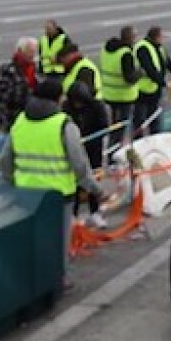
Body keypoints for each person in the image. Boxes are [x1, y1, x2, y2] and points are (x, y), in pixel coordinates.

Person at [0, 78, 105, 284]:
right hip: (58, 195)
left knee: (31, 239)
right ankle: (58, 280)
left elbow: (5, 160)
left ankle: (31, 278)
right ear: (58, 99)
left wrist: (11, 182)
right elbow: (80, 164)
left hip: (26, 192)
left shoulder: (20, 121)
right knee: (58, 241)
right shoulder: (64, 124)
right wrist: (95, 189)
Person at [65, 77, 111, 229]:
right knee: (76, 181)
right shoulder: (67, 107)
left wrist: (90, 138)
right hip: (76, 149)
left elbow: (104, 126)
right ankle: (73, 215)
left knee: (93, 178)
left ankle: (95, 212)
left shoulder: (97, 106)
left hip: (93, 148)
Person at [96, 31, 140, 133]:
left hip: (109, 93)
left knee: (114, 124)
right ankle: (117, 146)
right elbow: (129, 78)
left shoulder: (106, 49)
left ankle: (113, 144)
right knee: (122, 126)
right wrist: (139, 73)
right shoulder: (126, 54)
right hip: (123, 95)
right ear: (131, 38)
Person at [0, 37, 39, 132]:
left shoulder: (35, 69)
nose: (32, 55)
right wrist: (26, 92)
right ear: (20, 51)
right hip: (12, 120)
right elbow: (2, 95)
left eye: (34, 52)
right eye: (29, 51)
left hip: (32, 119)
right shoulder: (7, 70)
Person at [132, 27, 168, 136]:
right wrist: (164, 83)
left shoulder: (158, 48)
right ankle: (139, 142)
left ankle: (154, 140)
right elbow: (149, 69)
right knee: (140, 119)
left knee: (154, 118)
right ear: (156, 37)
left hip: (153, 89)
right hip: (142, 90)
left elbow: (167, 62)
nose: (163, 39)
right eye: (162, 37)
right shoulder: (143, 48)